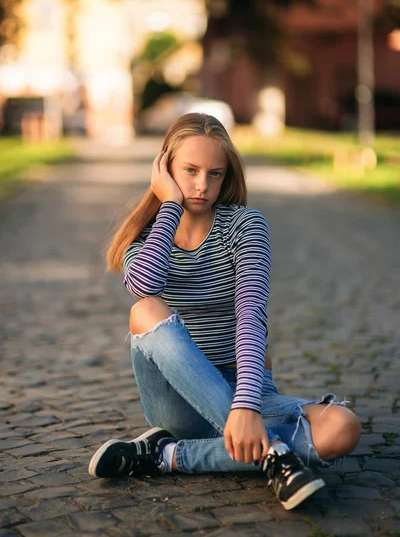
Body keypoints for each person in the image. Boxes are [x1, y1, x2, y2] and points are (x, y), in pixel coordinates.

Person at [88, 113, 361, 510]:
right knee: (145, 311)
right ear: (164, 168)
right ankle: (273, 455)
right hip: (177, 401)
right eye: (190, 170)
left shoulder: (245, 226)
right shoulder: (147, 236)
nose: (202, 185)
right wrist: (170, 206)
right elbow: (143, 287)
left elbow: (252, 318)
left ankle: (164, 456)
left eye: (214, 174)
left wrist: (247, 406)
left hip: (244, 386)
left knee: (343, 428)